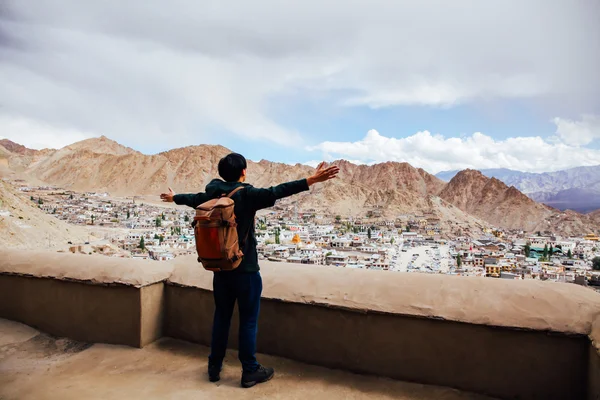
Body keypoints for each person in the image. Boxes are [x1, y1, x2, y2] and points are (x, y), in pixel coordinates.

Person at [160, 153, 339, 388]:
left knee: (221, 318)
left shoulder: (211, 194)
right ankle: (250, 370)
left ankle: (214, 367)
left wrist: (174, 197)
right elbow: (278, 191)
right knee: (248, 321)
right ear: (243, 172)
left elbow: (193, 198)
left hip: (220, 270)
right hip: (246, 270)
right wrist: (311, 180)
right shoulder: (248, 195)